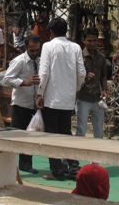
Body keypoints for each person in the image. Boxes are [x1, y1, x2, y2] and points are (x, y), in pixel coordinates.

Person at [36, 17, 86, 180]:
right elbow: (81, 73)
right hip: (68, 98)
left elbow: (43, 73)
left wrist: (40, 94)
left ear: (51, 32)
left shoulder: (48, 46)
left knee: (52, 135)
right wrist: (76, 89)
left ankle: (57, 170)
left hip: (51, 97)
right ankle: (73, 166)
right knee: (65, 132)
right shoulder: (76, 47)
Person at [3, 34, 41, 174]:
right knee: (16, 135)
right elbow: (7, 79)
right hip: (20, 104)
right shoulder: (19, 61)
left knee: (29, 136)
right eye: (32, 50)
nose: (35, 53)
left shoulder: (40, 61)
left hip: (34, 104)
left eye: (37, 50)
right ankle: (9, 164)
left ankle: (26, 164)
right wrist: (24, 82)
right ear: (26, 47)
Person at [76, 27, 108, 139]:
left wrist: (104, 90)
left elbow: (104, 75)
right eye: (89, 41)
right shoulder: (79, 56)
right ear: (84, 41)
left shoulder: (101, 57)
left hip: (97, 99)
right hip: (82, 98)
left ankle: (97, 156)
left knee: (99, 131)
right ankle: (76, 156)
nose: (92, 43)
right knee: (81, 130)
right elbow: (74, 76)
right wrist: (84, 78)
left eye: (95, 41)